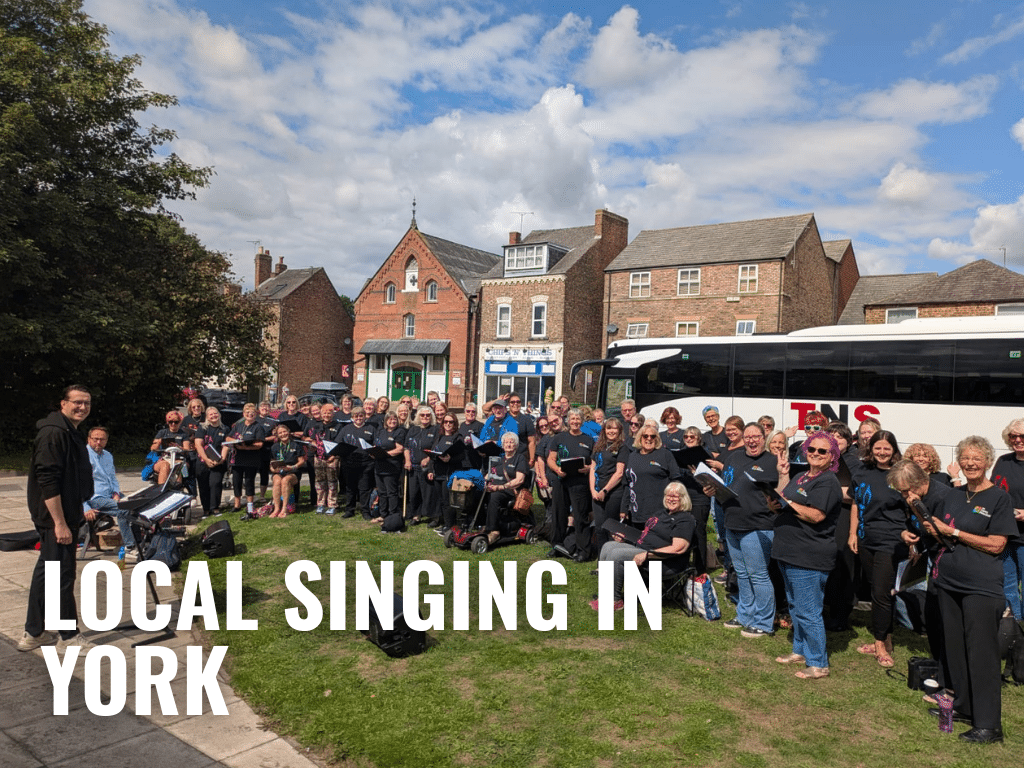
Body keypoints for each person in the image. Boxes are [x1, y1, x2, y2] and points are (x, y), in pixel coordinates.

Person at [923, 436, 1016, 743]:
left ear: (988, 461)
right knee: (955, 649)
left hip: (981, 587)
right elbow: (945, 536)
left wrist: (956, 532)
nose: (970, 463)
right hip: (948, 584)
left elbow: (997, 544)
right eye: (965, 458)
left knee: (982, 655)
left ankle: (989, 726)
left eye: (977, 458)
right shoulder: (954, 494)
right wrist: (933, 531)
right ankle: (962, 706)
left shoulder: (999, 498)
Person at [19, 385, 95, 652]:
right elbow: (47, 481)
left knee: (48, 572)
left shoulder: (68, 430)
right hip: (55, 518)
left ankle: (33, 633)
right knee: (62, 575)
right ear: (63, 404)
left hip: (65, 515)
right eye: (76, 402)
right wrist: (60, 523)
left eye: (86, 403)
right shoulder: (53, 433)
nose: (82, 407)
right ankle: (69, 636)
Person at [770, 431, 844, 678]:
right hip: (788, 551)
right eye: (811, 449)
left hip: (809, 555)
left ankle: (818, 662)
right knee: (795, 605)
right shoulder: (801, 476)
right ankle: (800, 650)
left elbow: (816, 515)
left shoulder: (828, 481)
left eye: (822, 451)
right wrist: (782, 476)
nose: (815, 454)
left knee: (809, 609)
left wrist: (787, 505)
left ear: (832, 455)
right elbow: (783, 497)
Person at [713, 423, 780, 638]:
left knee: (758, 575)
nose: (752, 441)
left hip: (757, 526)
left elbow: (778, 493)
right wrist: (711, 488)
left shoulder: (771, 461)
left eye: (757, 436)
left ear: (764, 437)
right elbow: (727, 483)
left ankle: (764, 622)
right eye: (748, 437)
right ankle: (745, 615)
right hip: (732, 522)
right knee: (741, 573)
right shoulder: (733, 457)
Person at [849, 429, 905, 668]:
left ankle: (880, 644)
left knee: (881, 593)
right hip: (865, 539)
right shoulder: (862, 471)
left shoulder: (901, 474)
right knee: (877, 591)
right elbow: (855, 502)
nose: (882, 452)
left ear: (893, 450)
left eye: (886, 448)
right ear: (870, 449)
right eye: (878, 447)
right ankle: (887, 639)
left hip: (891, 541)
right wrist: (852, 533)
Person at [593, 482, 695, 612]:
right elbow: (646, 534)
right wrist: (625, 536)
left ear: (683, 498)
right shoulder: (662, 513)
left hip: (664, 560)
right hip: (643, 548)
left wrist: (647, 554)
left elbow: (678, 548)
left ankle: (615, 600)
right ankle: (605, 594)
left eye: (675, 496)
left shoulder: (685, 520)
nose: (671, 499)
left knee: (616, 554)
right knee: (608, 546)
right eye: (668, 495)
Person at [82, 426, 137, 562]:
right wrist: (85, 507)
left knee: (136, 504)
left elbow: (112, 478)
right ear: (89, 439)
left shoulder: (107, 455)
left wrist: (116, 493)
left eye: (102, 439)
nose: (98, 442)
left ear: (106, 441)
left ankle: (137, 542)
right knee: (124, 509)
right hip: (94, 497)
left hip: (110, 494)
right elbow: (75, 484)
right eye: (95, 439)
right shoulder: (82, 456)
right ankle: (130, 547)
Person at [547, 408, 595, 555]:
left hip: (580, 483)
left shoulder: (588, 439)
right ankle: (557, 546)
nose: (575, 421)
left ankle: (583, 550)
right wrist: (556, 469)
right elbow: (550, 459)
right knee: (559, 514)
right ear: (568, 420)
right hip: (561, 480)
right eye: (572, 419)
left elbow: (594, 462)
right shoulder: (559, 438)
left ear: (582, 421)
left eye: (578, 419)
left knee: (580, 516)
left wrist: (588, 469)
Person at [992, 418, 1024, 621]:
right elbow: (993, 490)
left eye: (1022, 436)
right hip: (1004, 533)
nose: (1018, 440)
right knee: (1006, 582)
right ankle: (1014, 628)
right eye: (1014, 436)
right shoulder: (1003, 461)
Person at [621, 423, 680, 528]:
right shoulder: (632, 456)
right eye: (645, 436)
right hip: (637, 511)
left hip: (660, 511)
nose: (649, 439)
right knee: (638, 542)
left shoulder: (665, 454)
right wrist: (624, 509)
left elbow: (676, 480)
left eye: (653, 436)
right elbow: (627, 484)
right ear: (640, 438)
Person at [590, 418, 629, 553]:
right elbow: (592, 469)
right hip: (597, 492)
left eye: (614, 428)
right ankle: (602, 563)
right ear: (604, 430)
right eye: (608, 428)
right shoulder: (598, 447)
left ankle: (613, 560)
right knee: (599, 528)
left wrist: (605, 491)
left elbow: (619, 473)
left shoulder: (622, 448)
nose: (611, 431)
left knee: (611, 529)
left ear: (619, 431)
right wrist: (593, 490)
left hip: (613, 493)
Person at [484, 432, 529, 545]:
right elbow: (489, 474)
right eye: (506, 442)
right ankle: (481, 524)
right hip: (495, 487)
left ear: (516, 445)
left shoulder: (520, 458)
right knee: (478, 493)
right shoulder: (499, 458)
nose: (508, 444)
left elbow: (519, 480)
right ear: (502, 445)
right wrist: (484, 483)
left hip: (510, 490)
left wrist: (501, 487)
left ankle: (494, 531)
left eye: (511, 442)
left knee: (494, 496)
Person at [678, 426, 712, 575]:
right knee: (683, 531)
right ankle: (683, 565)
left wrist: (696, 474)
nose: (689, 439)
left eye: (692, 437)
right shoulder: (681, 454)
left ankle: (700, 568)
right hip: (684, 496)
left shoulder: (706, 455)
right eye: (686, 437)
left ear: (699, 438)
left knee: (699, 531)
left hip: (700, 498)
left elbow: (711, 481)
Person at [227, 403, 267, 515]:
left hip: (251, 458)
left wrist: (246, 446)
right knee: (236, 481)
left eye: (252, 413)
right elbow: (228, 437)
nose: (250, 415)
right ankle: (237, 504)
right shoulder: (238, 426)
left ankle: (250, 505)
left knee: (249, 481)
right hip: (238, 458)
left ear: (256, 414)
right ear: (244, 414)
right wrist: (235, 441)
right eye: (247, 413)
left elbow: (259, 444)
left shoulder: (258, 427)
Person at [429, 412, 465, 530]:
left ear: (455, 423)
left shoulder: (458, 437)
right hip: (438, 473)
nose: (448, 424)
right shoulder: (439, 437)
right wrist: (430, 470)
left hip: (449, 473)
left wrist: (451, 459)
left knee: (447, 500)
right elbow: (433, 455)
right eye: (446, 422)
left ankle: (449, 525)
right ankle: (444, 523)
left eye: (451, 422)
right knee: (440, 500)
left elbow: (462, 456)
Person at [340, 406, 376, 519]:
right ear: (352, 417)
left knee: (364, 488)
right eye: (356, 416)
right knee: (350, 488)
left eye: (361, 415)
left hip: (366, 464)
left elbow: (376, 444)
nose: (359, 418)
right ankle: (349, 510)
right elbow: (338, 443)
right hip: (349, 463)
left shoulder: (371, 428)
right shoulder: (346, 429)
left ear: (364, 417)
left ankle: (365, 511)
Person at [405, 406, 438, 525]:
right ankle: (416, 516)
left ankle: (433, 517)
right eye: (422, 415)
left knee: (429, 493)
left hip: (427, 467)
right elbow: (406, 447)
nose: (425, 417)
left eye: (428, 415)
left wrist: (429, 459)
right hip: (413, 466)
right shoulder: (413, 429)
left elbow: (436, 448)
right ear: (418, 416)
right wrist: (407, 461)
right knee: (414, 493)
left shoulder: (435, 429)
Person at [373, 410, 407, 524]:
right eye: (390, 419)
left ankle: (392, 515)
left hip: (391, 466)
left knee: (391, 492)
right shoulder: (380, 431)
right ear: (386, 421)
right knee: (382, 492)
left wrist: (386, 454)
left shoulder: (399, 432)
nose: (392, 421)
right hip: (379, 466)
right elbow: (375, 445)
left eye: (394, 419)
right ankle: (383, 514)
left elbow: (400, 449)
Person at [308, 403, 343, 515]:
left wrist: (333, 457)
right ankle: (321, 504)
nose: (327, 414)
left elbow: (339, 443)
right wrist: (313, 446)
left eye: (329, 412)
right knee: (319, 482)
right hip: (319, 458)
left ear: (333, 414)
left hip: (332, 458)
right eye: (324, 412)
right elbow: (313, 440)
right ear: (321, 414)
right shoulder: (317, 426)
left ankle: (332, 504)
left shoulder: (338, 426)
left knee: (332, 482)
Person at [194, 407, 230, 514]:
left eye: (215, 413)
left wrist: (221, 460)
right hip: (202, 461)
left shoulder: (225, 429)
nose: (213, 415)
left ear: (219, 415)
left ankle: (215, 508)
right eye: (211, 414)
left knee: (216, 483)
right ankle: (206, 509)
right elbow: (198, 445)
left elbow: (226, 446)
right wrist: (206, 459)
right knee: (203, 485)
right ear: (207, 417)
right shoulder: (202, 428)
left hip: (218, 462)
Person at [269, 423, 304, 517]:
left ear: (288, 432)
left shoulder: (296, 445)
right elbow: (272, 463)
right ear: (277, 435)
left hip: (293, 471)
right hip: (280, 471)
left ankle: (284, 509)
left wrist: (292, 467)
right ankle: (276, 508)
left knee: (285, 480)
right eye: (280, 433)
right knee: (276, 480)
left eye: (284, 431)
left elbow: (301, 461)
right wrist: (273, 469)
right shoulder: (274, 447)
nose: (283, 434)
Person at [150, 410, 187, 486]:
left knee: (179, 466)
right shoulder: (162, 432)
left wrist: (179, 448)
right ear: (168, 422)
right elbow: (153, 448)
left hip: (179, 458)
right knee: (165, 465)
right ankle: (161, 488)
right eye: (171, 422)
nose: (173, 424)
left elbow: (186, 448)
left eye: (176, 422)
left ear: (179, 422)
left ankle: (178, 487)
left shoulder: (183, 434)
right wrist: (160, 441)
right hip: (164, 458)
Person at [180, 397, 206, 498]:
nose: (196, 408)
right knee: (188, 475)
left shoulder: (206, 418)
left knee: (201, 476)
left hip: (202, 450)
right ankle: (193, 496)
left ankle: (205, 501)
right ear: (190, 408)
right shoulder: (186, 420)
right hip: (190, 451)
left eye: (198, 406)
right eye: (193, 407)